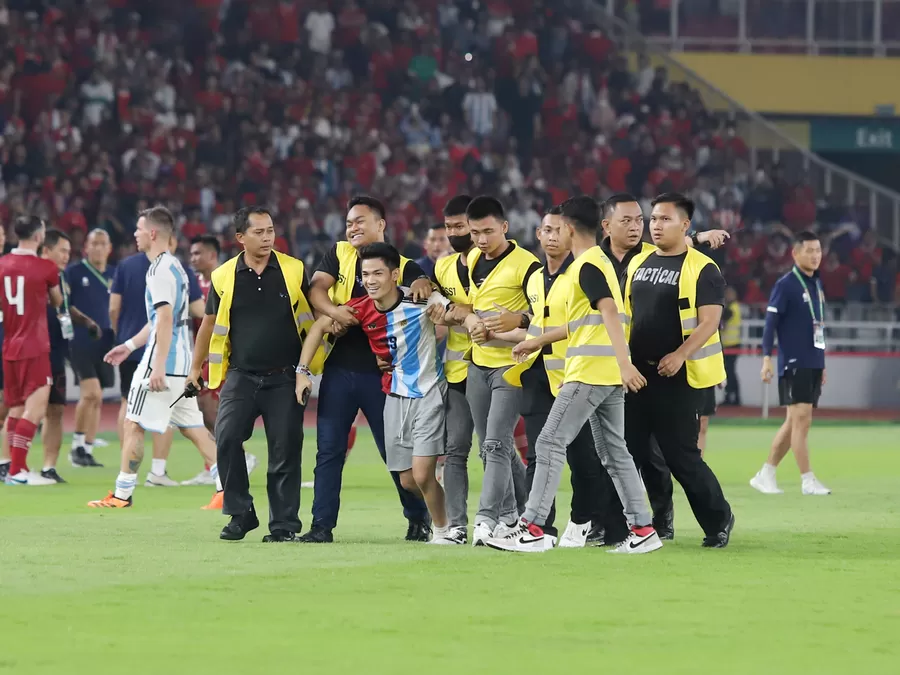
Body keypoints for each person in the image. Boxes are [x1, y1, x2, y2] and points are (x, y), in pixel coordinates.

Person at [485, 196, 660, 554]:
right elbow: (583, 322)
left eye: (556, 227)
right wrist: (539, 341)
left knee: (549, 442)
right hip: (604, 371)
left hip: (593, 371)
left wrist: (626, 363)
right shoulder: (596, 263)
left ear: (567, 228)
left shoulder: (586, 266)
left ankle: (533, 527)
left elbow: (610, 312)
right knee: (614, 451)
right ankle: (643, 529)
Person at [298, 243, 452, 543]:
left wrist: (465, 318)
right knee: (337, 454)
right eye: (365, 274)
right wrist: (301, 372)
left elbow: (444, 310)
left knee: (413, 472)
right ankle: (321, 526)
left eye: (377, 273)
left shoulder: (413, 285)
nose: (370, 279)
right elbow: (318, 319)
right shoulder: (357, 297)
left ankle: (435, 523)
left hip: (405, 386)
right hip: (363, 381)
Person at [599, 192, 729, 539]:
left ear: (685, 225)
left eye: (664, 219)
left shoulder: (703, 268)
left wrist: (680, 355)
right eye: (652, 219)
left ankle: (719, 521)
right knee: (626, 452)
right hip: (639, 374)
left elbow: (710, 322)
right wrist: (624, 363)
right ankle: (614, 528)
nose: (655, 226)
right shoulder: (639, 261)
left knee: (680, 456)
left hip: (679, 377)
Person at [189, 206, 317, 541]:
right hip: (241, 375)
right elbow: (209, 324)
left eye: (270, 230)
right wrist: (194, 369)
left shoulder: (294, 270)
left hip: (286, 376)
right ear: (240, 238)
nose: (267, 237)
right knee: (227, 438)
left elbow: (315, 317)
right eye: (258, 232)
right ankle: (241, 513)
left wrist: (306, 369)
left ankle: (284, 526)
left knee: (285, 449)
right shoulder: (223, 276)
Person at [88, 206, 217, 508]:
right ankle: (227, 489)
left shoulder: (158, 269)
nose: (135, 234)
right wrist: (130, 345)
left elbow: (166, 318)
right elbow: (160, 320)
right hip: (181, 363)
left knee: (133, 424)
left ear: (153, 233)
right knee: (194, 428)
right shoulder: (176, 268)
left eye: (139, 229)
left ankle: (122, 494)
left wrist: (156, 365)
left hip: (162, 364)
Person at [450, 195, 540, 546]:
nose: (481, 240)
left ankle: (485, 521)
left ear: (504, 226)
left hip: (511, 367)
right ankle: (511, 517)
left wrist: (508, 326)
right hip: (477, 364)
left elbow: (541, 317)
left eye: (488, 231)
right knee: (490, 447)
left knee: (494, 443)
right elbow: (468, 305)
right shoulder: (472, 259)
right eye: (475, 233)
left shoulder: (526, 265)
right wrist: (471, 319)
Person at [751, 231, 831, 496]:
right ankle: (807, 480)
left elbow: (816, 327)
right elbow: (770, 324)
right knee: (801, 420)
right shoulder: (786, 284)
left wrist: (821, 363)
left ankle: (766, 473)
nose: (815, 255)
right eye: (809, 250)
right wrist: (766, 359)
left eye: (818, 250)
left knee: (794, 422)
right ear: (795, 254)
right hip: (794, 362)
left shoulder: (816, 284)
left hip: (811, 361)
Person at [182, 234, 257, 489]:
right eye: (191, 254)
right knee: (203, 412)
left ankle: (241, 457)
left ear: (212, 255)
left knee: (213, 410)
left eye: (197, 253)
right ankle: (213, 465)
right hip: (202, 355)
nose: (193, 258)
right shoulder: (193, 285)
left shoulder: (225, 278)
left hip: (222, 356)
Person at [0, 216, 64, 485]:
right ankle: (18, 470)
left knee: (15, 409)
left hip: (9, 345)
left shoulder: (1, 265)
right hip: (34, 345)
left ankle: (14, 469)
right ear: (39, 237)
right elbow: (58, 300)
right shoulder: (46, 268)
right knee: (35, 410)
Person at [427, 195, 476, 544]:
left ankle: (516, 516)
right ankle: (458, 526)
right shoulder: (443, 266)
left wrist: (455, 309)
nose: (454, 232)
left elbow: (485, 309)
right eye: (450, 227)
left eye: (461, 226)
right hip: (457, 372)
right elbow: (437, 308)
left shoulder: (502, 261)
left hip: (496, 368)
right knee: (455, 450)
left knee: (496, 447)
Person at [41, 229, 103, 483]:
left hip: (57, 349)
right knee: (19, 408)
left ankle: (48, 468)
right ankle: (10, 464)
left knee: (54, 409)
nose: (67, 255)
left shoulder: (61, 276)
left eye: (68, 251)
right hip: (36, 349)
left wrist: (86, 321)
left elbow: (64, 307)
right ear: (46, 249)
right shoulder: (37, 274)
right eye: (62, 250)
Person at [66, 229, 115, 468]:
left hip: (106, 343)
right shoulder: (74, 273)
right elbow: (64, 305)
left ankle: (86, 448)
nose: (97, 247)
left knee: (99, 398)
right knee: (91, 393)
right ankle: (76, 444)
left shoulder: (115, 274)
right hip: (80, 341)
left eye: (102, 243)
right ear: (86, 247)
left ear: (109, 248)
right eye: (93, 243)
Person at [721, 285, 742, 405]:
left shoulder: (733, 307)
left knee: (730, 373)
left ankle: (732, 397)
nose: (726, 296)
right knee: (729, 372)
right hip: (730, 344)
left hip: (732, 345)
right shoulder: (734, 307)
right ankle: (732, 396)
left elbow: (725, 316)